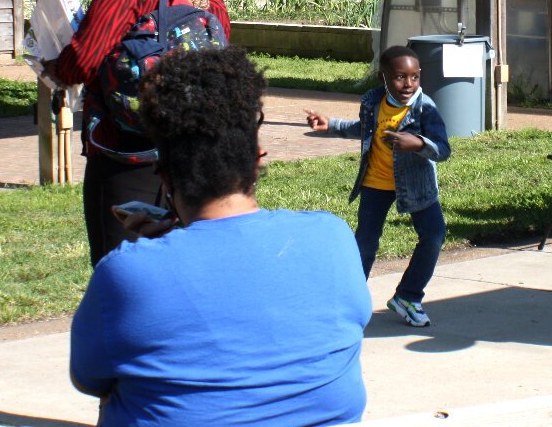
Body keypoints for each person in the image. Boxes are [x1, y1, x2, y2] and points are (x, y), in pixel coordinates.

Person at [69, 47, 371, 427]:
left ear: (164, 177)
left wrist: (163, 248)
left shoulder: (129, 271)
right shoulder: (333, 238)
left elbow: (89, 378)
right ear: (258, 159)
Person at [47, 0, 231, 266]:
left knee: (121, 270)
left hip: (127, 157)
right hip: (197, 160)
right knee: (183, 268)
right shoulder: (210, 0)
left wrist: (51, 64)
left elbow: (79, 64)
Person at [305, 45, 451, 328]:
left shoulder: (425, 108)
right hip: (375, 183)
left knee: (433, 235)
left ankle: (408, 296)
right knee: (366, 244)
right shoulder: (374, 101)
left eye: (414, 77)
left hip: (417, 186)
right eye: (399, 77)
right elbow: (365, 128)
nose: (408, 84)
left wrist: (418, 144)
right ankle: (351, 302)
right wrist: (331, 125)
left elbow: (443, 149)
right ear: (384, 77)